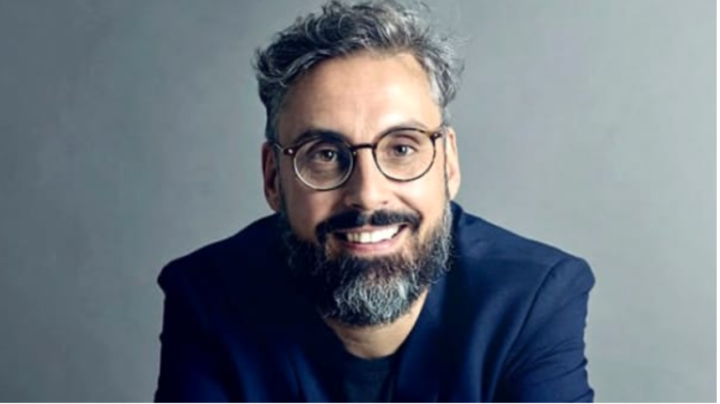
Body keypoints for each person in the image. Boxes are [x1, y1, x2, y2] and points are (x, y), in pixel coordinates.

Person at [154, 0, 595, 402]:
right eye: (325, 155)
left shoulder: (533, 297)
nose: (367, 194)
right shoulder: (206, 297)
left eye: (401, 148)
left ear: (448, 163)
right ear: (273, 178)